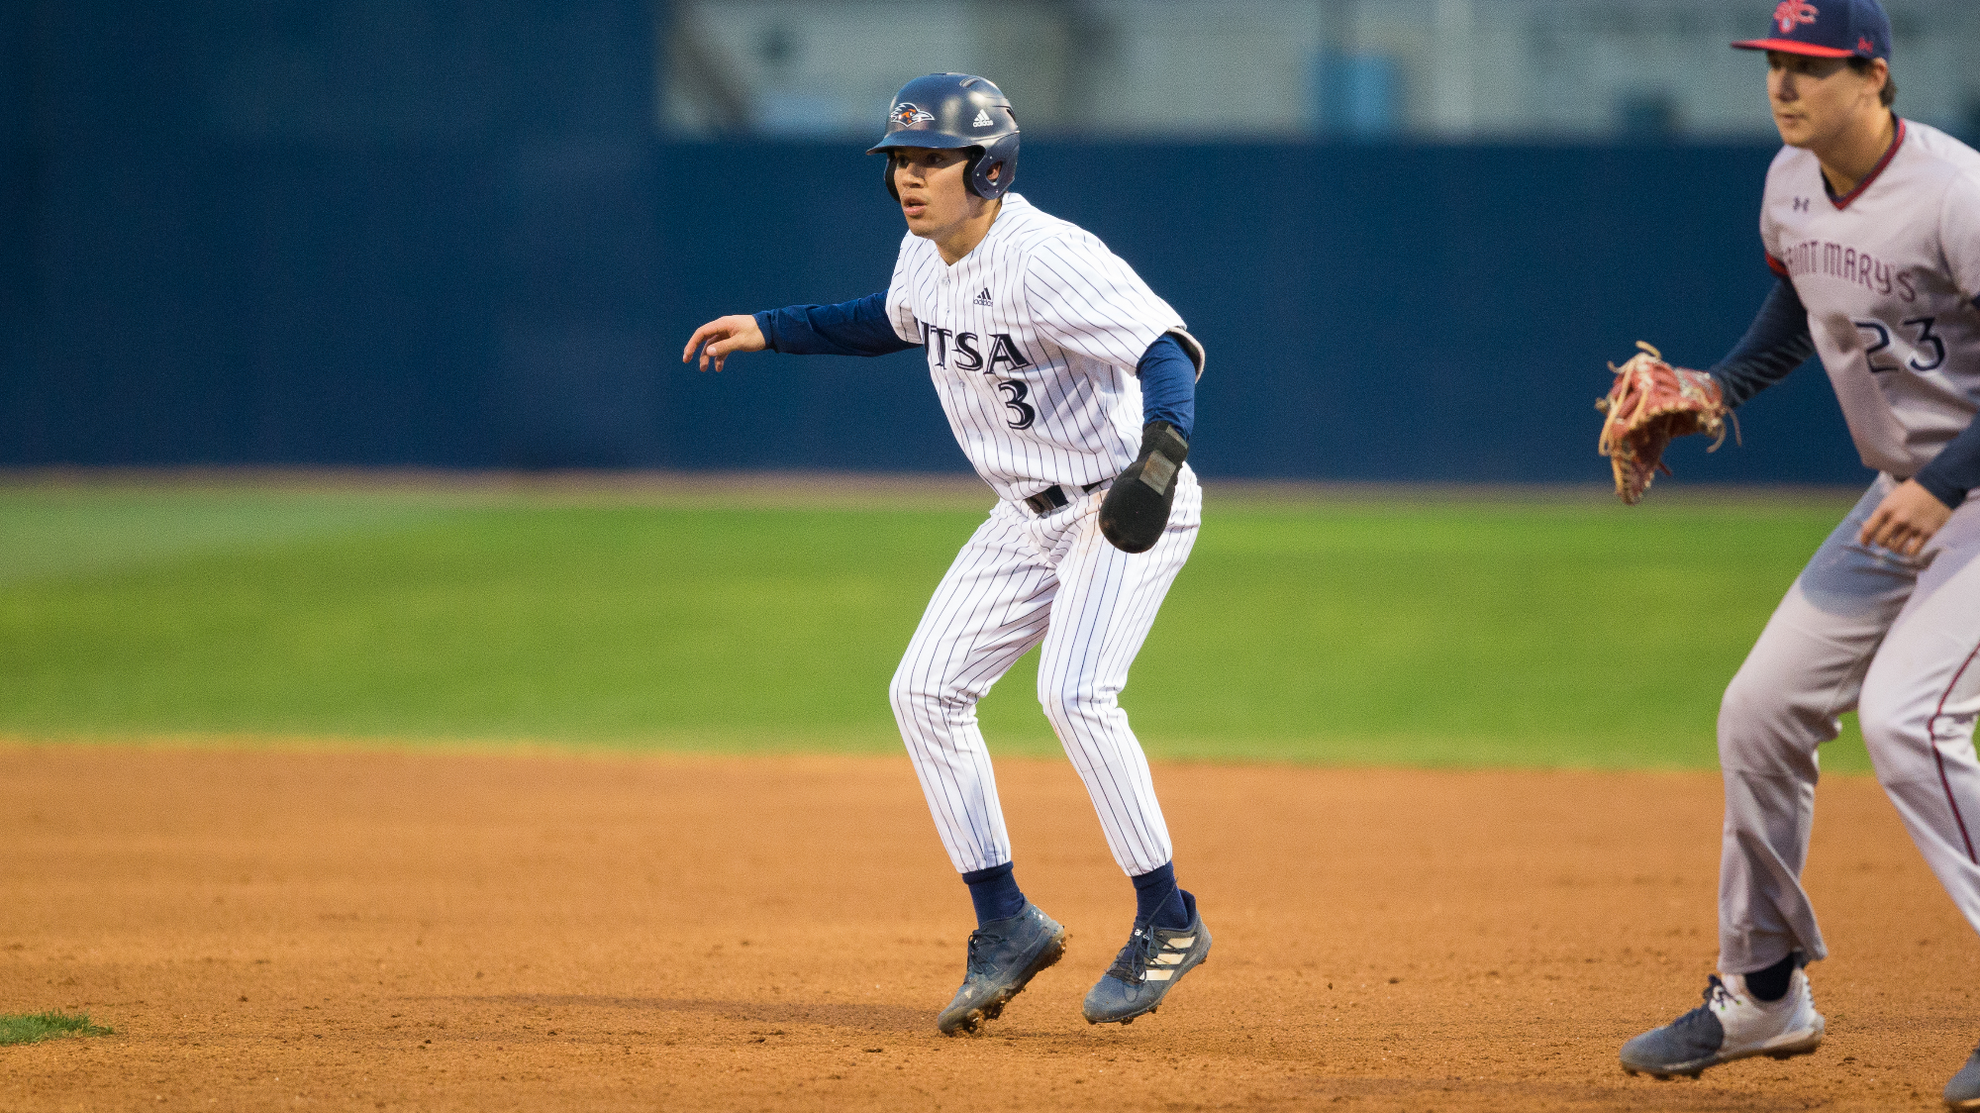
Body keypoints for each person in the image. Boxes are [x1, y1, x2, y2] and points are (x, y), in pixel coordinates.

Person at [682, 73, 1213, 1037]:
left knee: (1076, 693)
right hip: (1024, 513)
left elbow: (1166, 346)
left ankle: (1169, 917)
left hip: (1119, 500)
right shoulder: (923, 257)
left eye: (931, 161)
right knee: (922, 690)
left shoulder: (1047, 257)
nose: (909, 179)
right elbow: (889, 319)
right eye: (900, 162)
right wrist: (770, 328)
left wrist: (1164, 452)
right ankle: (1005, 921)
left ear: (991, 168)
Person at [1613, 2, 1980, 1104]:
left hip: (1961, 492)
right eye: (1775, 64)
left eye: (1812, 67)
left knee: (1909, 719)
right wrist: (1719, 385)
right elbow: (1799, 302)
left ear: (1874, 77)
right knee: (1758, 710)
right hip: (1903, 498)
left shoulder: (1959, 194)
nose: (1785, 86)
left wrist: (1941, 484)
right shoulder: (1788, 181)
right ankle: (1764, 991)